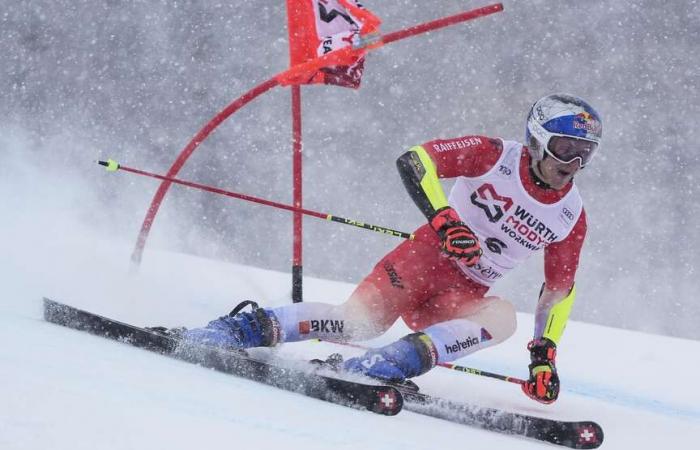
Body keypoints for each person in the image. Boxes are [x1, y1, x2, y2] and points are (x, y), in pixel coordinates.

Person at [178, 93, 602, 404]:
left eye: (585, 153)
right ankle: (237, 330)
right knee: (358, 323)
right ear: (535, 140)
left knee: (502, 317)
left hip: (460, 295)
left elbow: (558, 290)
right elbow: (415, 160)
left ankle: (386, 365)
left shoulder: (570, 216)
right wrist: (443, 218)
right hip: (423, 261)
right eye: (565, 148)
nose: (573, 164)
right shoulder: (492, 155)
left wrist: (544, 355)